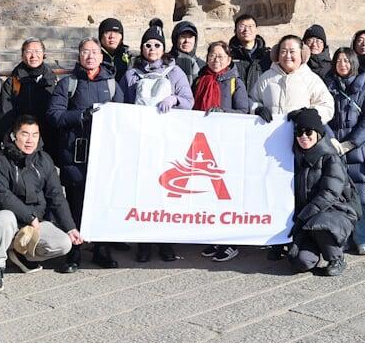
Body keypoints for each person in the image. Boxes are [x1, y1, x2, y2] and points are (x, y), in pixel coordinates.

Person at [0, 115, 84, 289]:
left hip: (35, 222)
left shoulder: (44, 160)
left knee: (64, 243)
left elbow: (56, 196)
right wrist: (30, 217)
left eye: (35, 135)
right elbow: (3, 196)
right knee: (4, 218)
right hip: (8, 222)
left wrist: (70, 227)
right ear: (14, 136)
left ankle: (22, 254)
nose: (30, 140)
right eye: (25, 134)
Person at [47, 38, 123, 270]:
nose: (90, 56)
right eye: (85, 52)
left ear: (101, 56)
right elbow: (54, 115)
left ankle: (101, 249)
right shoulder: (68, 83)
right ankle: (74, 251)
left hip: (103, 155)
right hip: (75, 154)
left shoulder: (111, 84)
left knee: (102, 203)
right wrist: (82, 115)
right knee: (75, 204)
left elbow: (122, 115)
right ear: (79, 56)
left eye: (94, 52)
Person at [124, 20, 194, 262]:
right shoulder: (131, 74)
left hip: (167, 140)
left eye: (156, 45)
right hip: (141, 139)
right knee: (143, 190)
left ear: (163, 48)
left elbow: (189, 101)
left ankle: (165, 241)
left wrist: (175, 99)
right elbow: (122, 103)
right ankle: (143, 242)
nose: (152, 49)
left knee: (166, 189)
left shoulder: (175, 72)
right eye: (147, 45)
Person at [191, 40, 250, 263]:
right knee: (210, 193)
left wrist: (222, 113)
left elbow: (243, 111)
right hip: (204, 144)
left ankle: (230, 241)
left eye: (220, 56)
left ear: (229, 59)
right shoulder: (200, 80)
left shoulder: (235, 82)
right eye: (212, 55)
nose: (216, 60)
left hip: (227, 144)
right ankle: (216, 237)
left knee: (226, 194)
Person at [287, 107, 360, 277]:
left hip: (335, 211)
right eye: (299, 132)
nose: (303, 136)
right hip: (308, 217)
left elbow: (330, 193)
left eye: (308, 132)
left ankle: (336, 258)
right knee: (300, 262)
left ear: (318, 133)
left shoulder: (330, 158)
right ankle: (316, 247)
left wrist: (302, 217)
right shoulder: (295, 158)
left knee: (321, 225)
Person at [324, 47, 365, 255]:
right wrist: (331, 138)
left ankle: (363, 239)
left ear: (353, 63)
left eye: (346, 60)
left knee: (363, 196)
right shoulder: (327, 86)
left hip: (359, 152)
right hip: (333, 149)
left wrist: (351, 143)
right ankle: (342, 237)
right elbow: (322, 114)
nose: (342, 64)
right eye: (339, 61)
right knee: (337, 195)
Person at [249, 35, 335, 122]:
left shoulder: (311, 79)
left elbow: (327, 107)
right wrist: (257, 109)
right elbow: (252, 100)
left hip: (300, 129)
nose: (288, 56)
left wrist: (307, 114)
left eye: (292, 51)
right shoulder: (266, 78)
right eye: (283, 51)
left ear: (302, 54)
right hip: (270, 128)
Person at [0, 38, 58, 143]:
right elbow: (5, 115)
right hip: (22, 139)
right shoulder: (13, 82)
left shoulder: (52, 80)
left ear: (44, 54)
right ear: (22, 55)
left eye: (37, 51)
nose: (33, 56)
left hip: (49, 138)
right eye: (29, 52)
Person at [229, 12, 272, 93]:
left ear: (256, 30)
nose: (246, 30)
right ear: (235, 30)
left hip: (261, 99)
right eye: (242, 26)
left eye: (250, 26)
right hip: (236, 100)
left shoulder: (267, 55)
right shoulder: (228, 56)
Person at [169, 20, 204, 85]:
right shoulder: (166, 62)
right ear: (175, 39)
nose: (187, 40)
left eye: (190, 37)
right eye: (183, 36)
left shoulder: (202, 66)